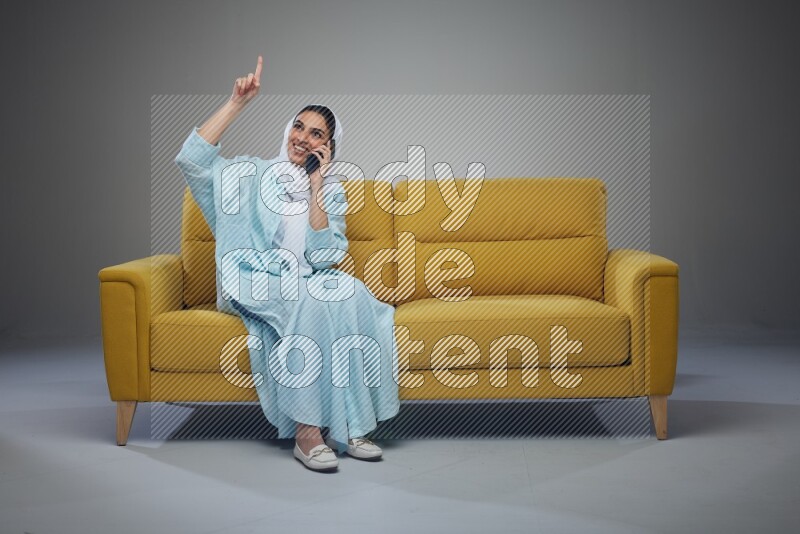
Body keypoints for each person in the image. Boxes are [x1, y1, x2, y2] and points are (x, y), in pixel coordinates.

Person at [174, 55, 401, 472]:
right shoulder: (249, 175)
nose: (302, 137)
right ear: (287, 130)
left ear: (328, 147)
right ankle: (307, 431)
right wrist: (236, 103)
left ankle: (353, 426)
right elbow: (192, 160)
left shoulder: (331, 194)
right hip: (255, 279)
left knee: (351, 291)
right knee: (312, 299)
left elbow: (324, 257)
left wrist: (317, 183)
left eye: (317, 134)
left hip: (307, 280)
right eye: (298, 126)